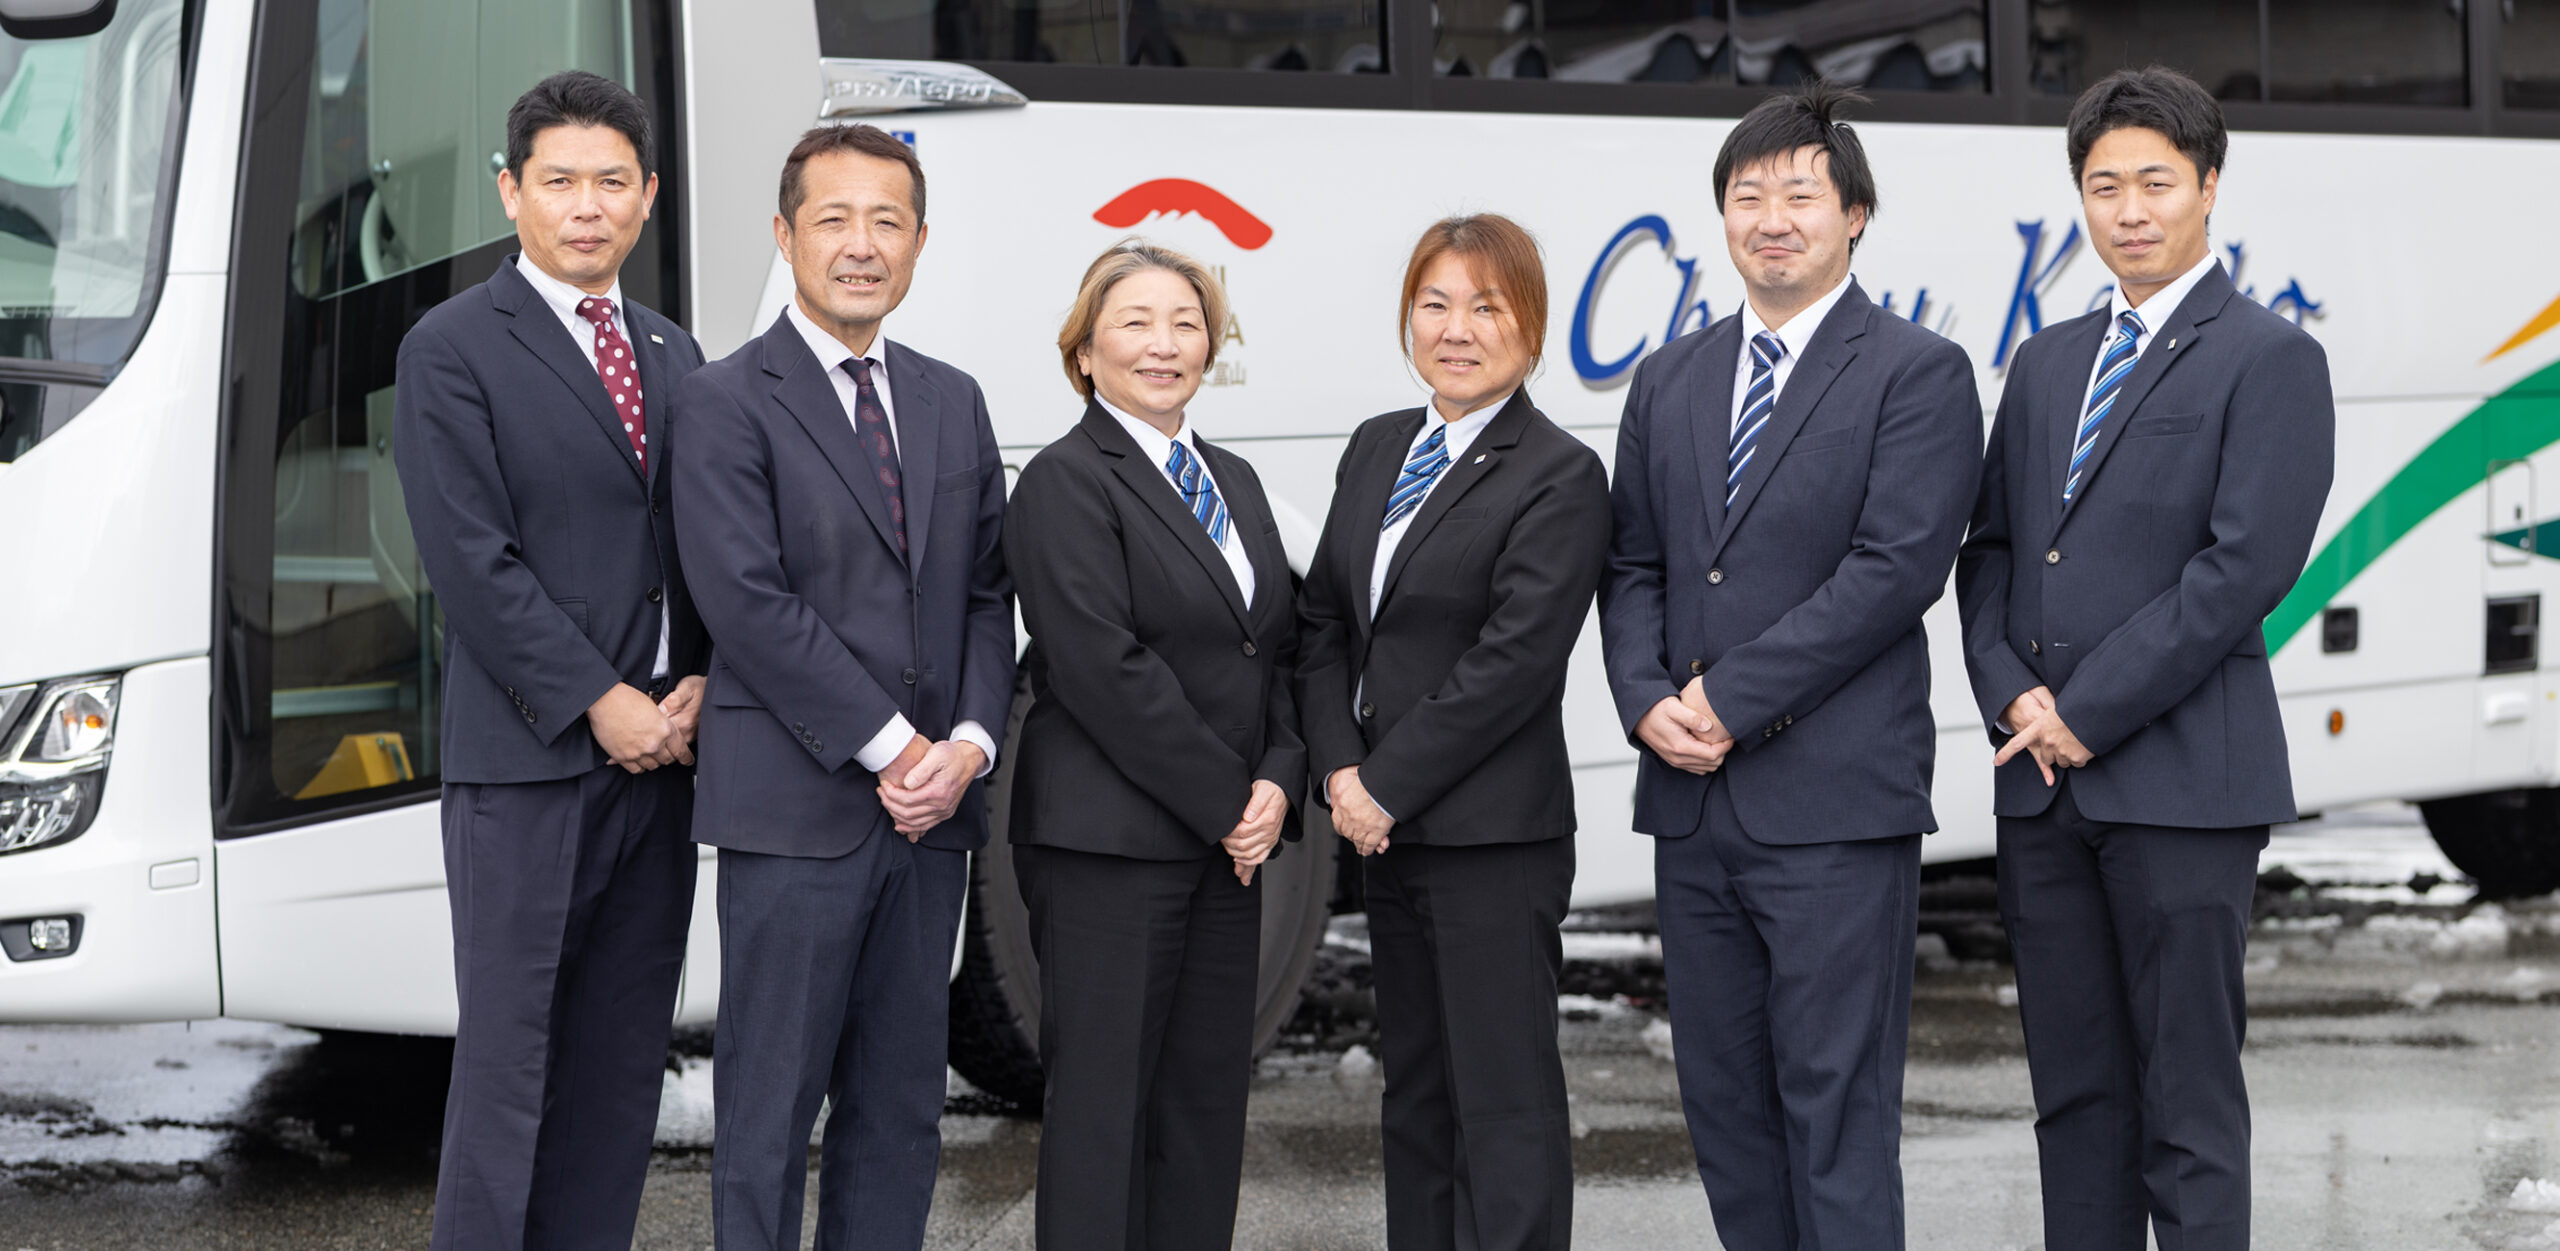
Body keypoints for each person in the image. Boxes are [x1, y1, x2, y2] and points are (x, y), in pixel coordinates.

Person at [1597, 83, 1981, 1250]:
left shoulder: (1917, 372)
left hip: (1833, 807)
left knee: (1835, 1111)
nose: (1772, 219)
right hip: (1691, 805)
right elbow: (1633, 563)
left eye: (1799, 196)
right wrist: (1645, 701)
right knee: (1725, 1110)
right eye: (1747, 196)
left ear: (1853, 215)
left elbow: (1892, 572)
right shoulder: (1670, 378)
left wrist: (1726, 697)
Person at [1955, 66, 2333, 1251]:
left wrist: (2084, 710)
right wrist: (2010, 694)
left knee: (2186, 1104)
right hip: (2041, 788)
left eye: (2155, 183)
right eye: (2103, 185)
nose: (2128, 210)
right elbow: (1991, 550)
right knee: (2074, 1102)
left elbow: (2240, 571)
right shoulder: (2046, 360)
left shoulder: (2268, 358)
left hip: (2182, 788)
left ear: (2208, 185)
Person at [672, 123, 1015, 1251]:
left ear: (919, 241)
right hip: (796, 810)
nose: (861, 245)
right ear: (785, 236)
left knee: (900, 1111)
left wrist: (968, 744)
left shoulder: (953, 399)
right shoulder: (724, 400)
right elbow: (748, 604)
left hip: (930, 820)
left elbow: (986, 592)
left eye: (886, 222)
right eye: (834, 219)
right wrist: (899, 749)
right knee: (767, 1116)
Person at [391, 69, 706, 1251]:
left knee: (621, 1067)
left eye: (610, 183)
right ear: (510, 191)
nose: (587, 206)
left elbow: (709, 544)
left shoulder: (673, 352)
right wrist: (597, 699)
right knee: (510, 1064)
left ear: (648, 197)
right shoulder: (452, 347)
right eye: (560, 180)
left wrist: (701, 679)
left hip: (664, 764)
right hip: (529, 765)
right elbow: (471, 562)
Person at [1295, 214, 1609, 1251]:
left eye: (1486, 306)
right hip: (1385, 831)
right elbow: (1323, 623)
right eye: (1434, 304)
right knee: (1417, 1095)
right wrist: (1341, 771)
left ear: (1531, 326)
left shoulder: (1558, 473)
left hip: (1491, 838)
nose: (1456, 329)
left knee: (1503, 1103)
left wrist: (1384, 786)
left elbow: (1513, 662)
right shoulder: (1378, 446)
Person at [1001, 240, 1306, 1250]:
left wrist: (1278, 780)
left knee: (1202, 1110)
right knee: (1103, 1115)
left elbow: (1278, 647)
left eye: (1185, 323)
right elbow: (1105, 669)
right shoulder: (1062, 482)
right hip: (1111, 848)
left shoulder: (1236, 481)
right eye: (1134, 322)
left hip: (1228, 847)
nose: (1164, 344)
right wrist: (1230, 803)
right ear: (1085, 352)